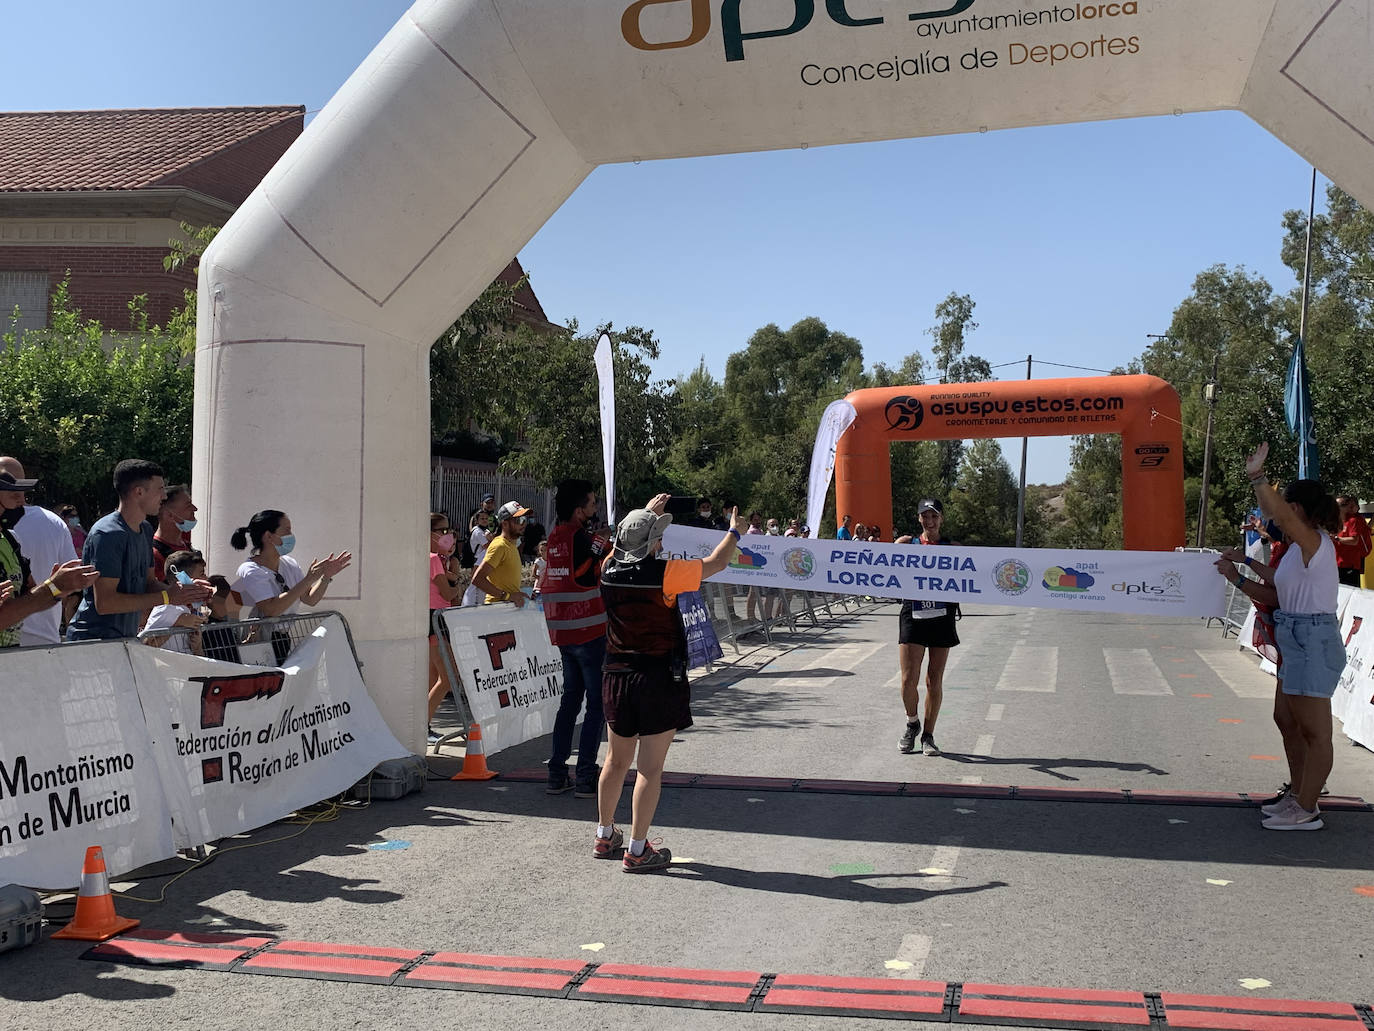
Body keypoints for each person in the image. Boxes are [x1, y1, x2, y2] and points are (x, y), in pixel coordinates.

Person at [594, 495, 746, 872]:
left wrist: (646, 515)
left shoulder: (607, 568)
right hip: (657, 676)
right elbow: (717, 562)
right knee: (649, 769)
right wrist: (734, 532)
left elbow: (628, 545)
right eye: (657, 536)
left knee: (614, 761)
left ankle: (604, 833)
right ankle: (638, 848)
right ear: (651, 543)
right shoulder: (666, 574)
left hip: (616, 674)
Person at [1230, 443, 1343, 830]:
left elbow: (1274, 511)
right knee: (1286, 719)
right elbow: (1277, 590)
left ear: (1296, 510)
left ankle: (1308, 807)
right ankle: (1298, 794)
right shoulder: (1296, 548)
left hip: (1312, 639)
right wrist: (1240, 569)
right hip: (1294, 635)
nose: (1275, 517)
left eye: (1284, 508)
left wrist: (1257, 477)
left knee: (1315, 732)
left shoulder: (1313, 542)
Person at [67, 460, 210, 641]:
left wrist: (186, 592)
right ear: (139, 492)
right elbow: (105, 603)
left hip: (124, 640)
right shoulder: (107, 534)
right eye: (160, 489)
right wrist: (167, 596)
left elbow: (149, 584)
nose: (164, 496)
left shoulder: (145, 529)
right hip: (94, 642)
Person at [543, 479, 611, 797]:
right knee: (595, 705)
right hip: (590, 632)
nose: (595, 508)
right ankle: (585, 776)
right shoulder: (583, 539)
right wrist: (606, 543)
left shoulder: (555, 536)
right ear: (579, 508)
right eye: (592, 503)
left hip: (564, 634)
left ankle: (557, 773)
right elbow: (597, 565)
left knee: (569, 703)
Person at [229, 509, 352, 660]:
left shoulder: (290, 564)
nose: (291, 536)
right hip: (258, 641)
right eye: (287, 530)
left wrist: (325, 577)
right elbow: (271, 609)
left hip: (282, 640)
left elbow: (309, 599)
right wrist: (308, 579)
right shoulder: (250, 570)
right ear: (269, 536)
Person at [0, 470, 97, 647]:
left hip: (14, 659)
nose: (21, 501)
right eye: (13, 495)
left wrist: (59, 589)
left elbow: (29, 599)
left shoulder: (11, 540)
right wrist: (53, 587)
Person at [894, 499, 959, 757]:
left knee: (934, 679)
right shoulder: (906, 543)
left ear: (941, 518)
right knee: (909, 679)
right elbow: (877, 563)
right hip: (913, 613)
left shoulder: (953, 548)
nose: (929, 521)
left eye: (934, 516)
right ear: (918, 518)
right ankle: (912, 723)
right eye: (925, 516)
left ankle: (928, 736)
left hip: (942, 616)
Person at [427, 513, 462, 743]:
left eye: (448, 529)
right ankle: (422, 725)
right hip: (435, 620)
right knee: (449, 677)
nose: (447, 534)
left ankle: (424, 725)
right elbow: (449, 594)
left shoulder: (438, 560)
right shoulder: (432, 559)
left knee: (432, 678)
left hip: (436, 618)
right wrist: (457, 579)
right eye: (442, 530)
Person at [142, 549, 209, 655]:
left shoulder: (191, 609)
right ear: (184, 579)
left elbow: (197, 654)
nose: (206, 578)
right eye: (202, 574)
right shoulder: (167, 607)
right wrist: (178, 623)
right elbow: (146, 644)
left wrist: (197, 647)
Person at [470, 501, 530, 606]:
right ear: (505, 524)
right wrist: (507, 596)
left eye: (524, 519)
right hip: (498, 610)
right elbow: (477, 579)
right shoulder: (499, 546)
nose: (523, 524)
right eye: (518, 520)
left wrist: (516, 595)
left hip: (505, 609)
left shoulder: (511, 546)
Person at [152, 485, 198, 582]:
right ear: (169, 515)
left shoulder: (186, 544)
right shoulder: (154, 554)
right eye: (188, 505)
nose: (195, 509)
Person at [1334, 494, 1371, 588]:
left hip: (1349, 564)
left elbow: (1354, 540)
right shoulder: (1336, 521)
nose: (1335, 507)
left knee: (1350, 592)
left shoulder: (1354, 520)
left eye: (1339, 505)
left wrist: (1336, 539)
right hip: (1336, 563)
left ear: (1347, 507)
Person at [460, 510, 494, 606]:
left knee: (481, 583)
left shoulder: (485, 531)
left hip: (483, 559)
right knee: (475, 583)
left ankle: (480, 604)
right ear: (477, 520)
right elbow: (488, 546)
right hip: (477, 560)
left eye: (486, 519)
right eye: (482, 519)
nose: (484, 520)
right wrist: (491, 539)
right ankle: (466, 604)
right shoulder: (477, 531)